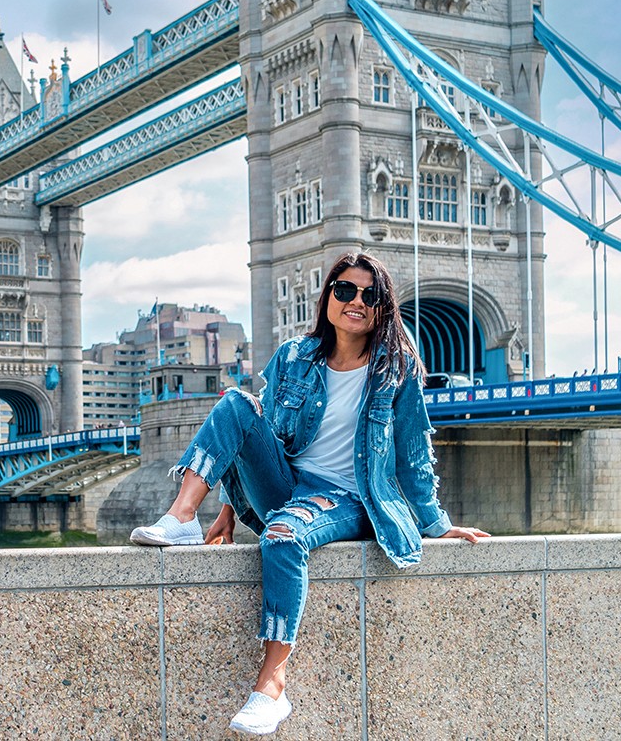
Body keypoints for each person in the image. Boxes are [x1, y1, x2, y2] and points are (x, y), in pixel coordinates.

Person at [130, 251, 489, 736]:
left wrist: (437, 524)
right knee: (237, 403)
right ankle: (182, 517)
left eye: (370, 294)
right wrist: (231, 509)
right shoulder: (295, 356)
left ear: (383, 306)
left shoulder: (395, 370)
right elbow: (266, 437)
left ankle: (272, 685)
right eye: (345, 290)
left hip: (351, 496)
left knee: (282, 537)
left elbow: (413, 452)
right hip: (289, 484)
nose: (355, 301)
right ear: (329, 299)